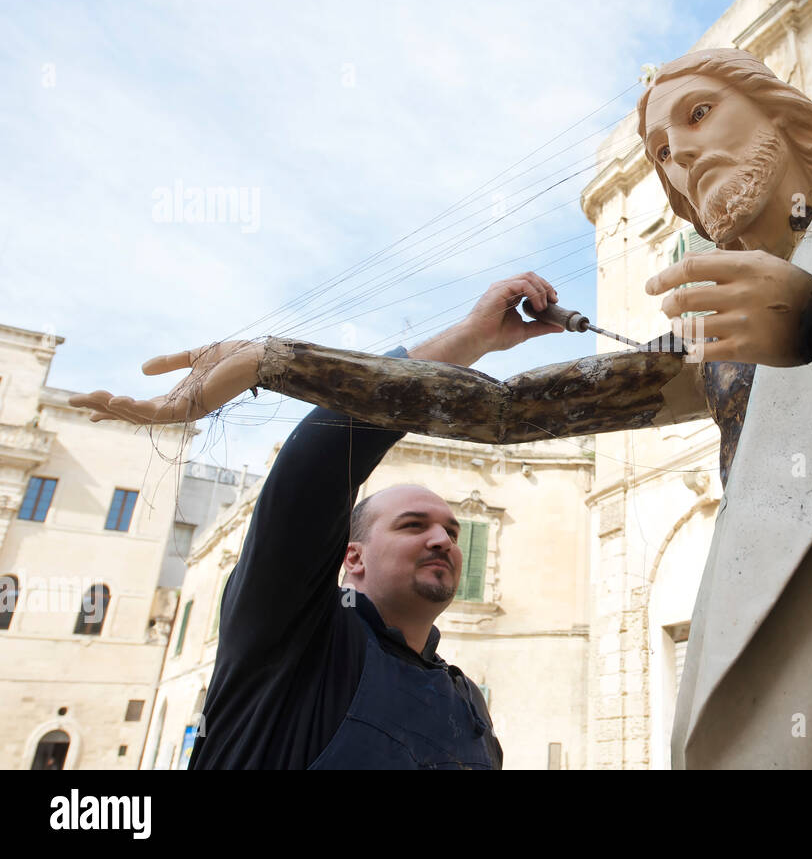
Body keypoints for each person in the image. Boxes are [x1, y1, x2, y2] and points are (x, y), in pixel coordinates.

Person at [79, 50, 812, 769]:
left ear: (787, 118)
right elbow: (497, 415)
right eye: (661, 153)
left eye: (699, 119)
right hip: (807, 653)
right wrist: (281, 356)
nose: (681, 161)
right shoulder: (713, 339)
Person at [75, 273, 563, 769]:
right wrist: (470, 338)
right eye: (413, 525)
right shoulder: (294, 636)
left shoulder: (467, 702)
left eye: (453, 532)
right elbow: (324, 458)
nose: (443, 539)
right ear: (352, 557)